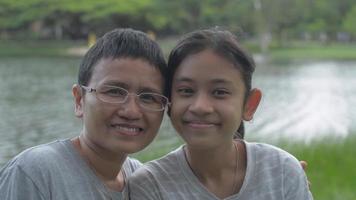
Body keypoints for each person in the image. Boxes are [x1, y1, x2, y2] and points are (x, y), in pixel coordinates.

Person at [128, 28, 313, 199]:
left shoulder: (281, 171)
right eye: (186, 90)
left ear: (249, 105)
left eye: (219, 92)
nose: (200, 107)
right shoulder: (150, 185)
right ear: (169, 100)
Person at [0, 28, 169, 200]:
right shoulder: (36, 172)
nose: (131, 111)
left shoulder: (143, 182)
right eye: (114, 92)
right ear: (79, 100)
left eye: (148, 97)